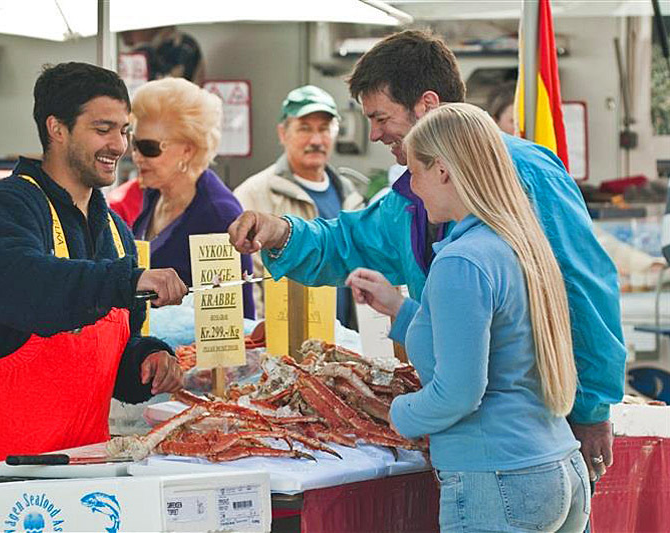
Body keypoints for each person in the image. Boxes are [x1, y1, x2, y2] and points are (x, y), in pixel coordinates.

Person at [229, 29, 626, 487]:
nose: (374, 134)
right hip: (471, 451)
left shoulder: (528, 174)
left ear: (427, 106)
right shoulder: (411, 196)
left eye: (381, 117)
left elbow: (583, 289)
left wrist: (592, 409)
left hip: (529, 447)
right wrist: (282, 232)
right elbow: (348, 240)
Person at [346, 103, 590, 531]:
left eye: (414, 173)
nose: (412, 189)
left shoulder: (461, 261)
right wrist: (399, 310)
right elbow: (495, 338)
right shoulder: (520, 242)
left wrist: (392, 413)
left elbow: (458, 394)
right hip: (561, 468)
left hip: (497, 478)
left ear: (442, 170)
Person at [0, 62, 188, 485]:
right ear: (56, 129)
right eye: (102, 129)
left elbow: (113, 354)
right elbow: (27, 286)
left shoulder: (116, 231)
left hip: (83, 472)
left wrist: (148, 360)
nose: (119, 145)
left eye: (124, 130)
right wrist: (126, 281)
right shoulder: (8, 205)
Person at [234, 85, 364, 324]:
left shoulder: (349, 195)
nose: (316, 140)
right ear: (282, 133)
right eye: (304, 128)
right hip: (286, 341)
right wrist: (262, 337)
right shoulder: (253, 195)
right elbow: (247, 280)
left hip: (346, 340)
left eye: (324, 129)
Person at [130, 77, 255, 318]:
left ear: (187, 150)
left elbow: (234, 317)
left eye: (149, 148)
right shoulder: (155, 193)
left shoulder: (218, 215)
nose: (136, 156)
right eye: (134, 144)